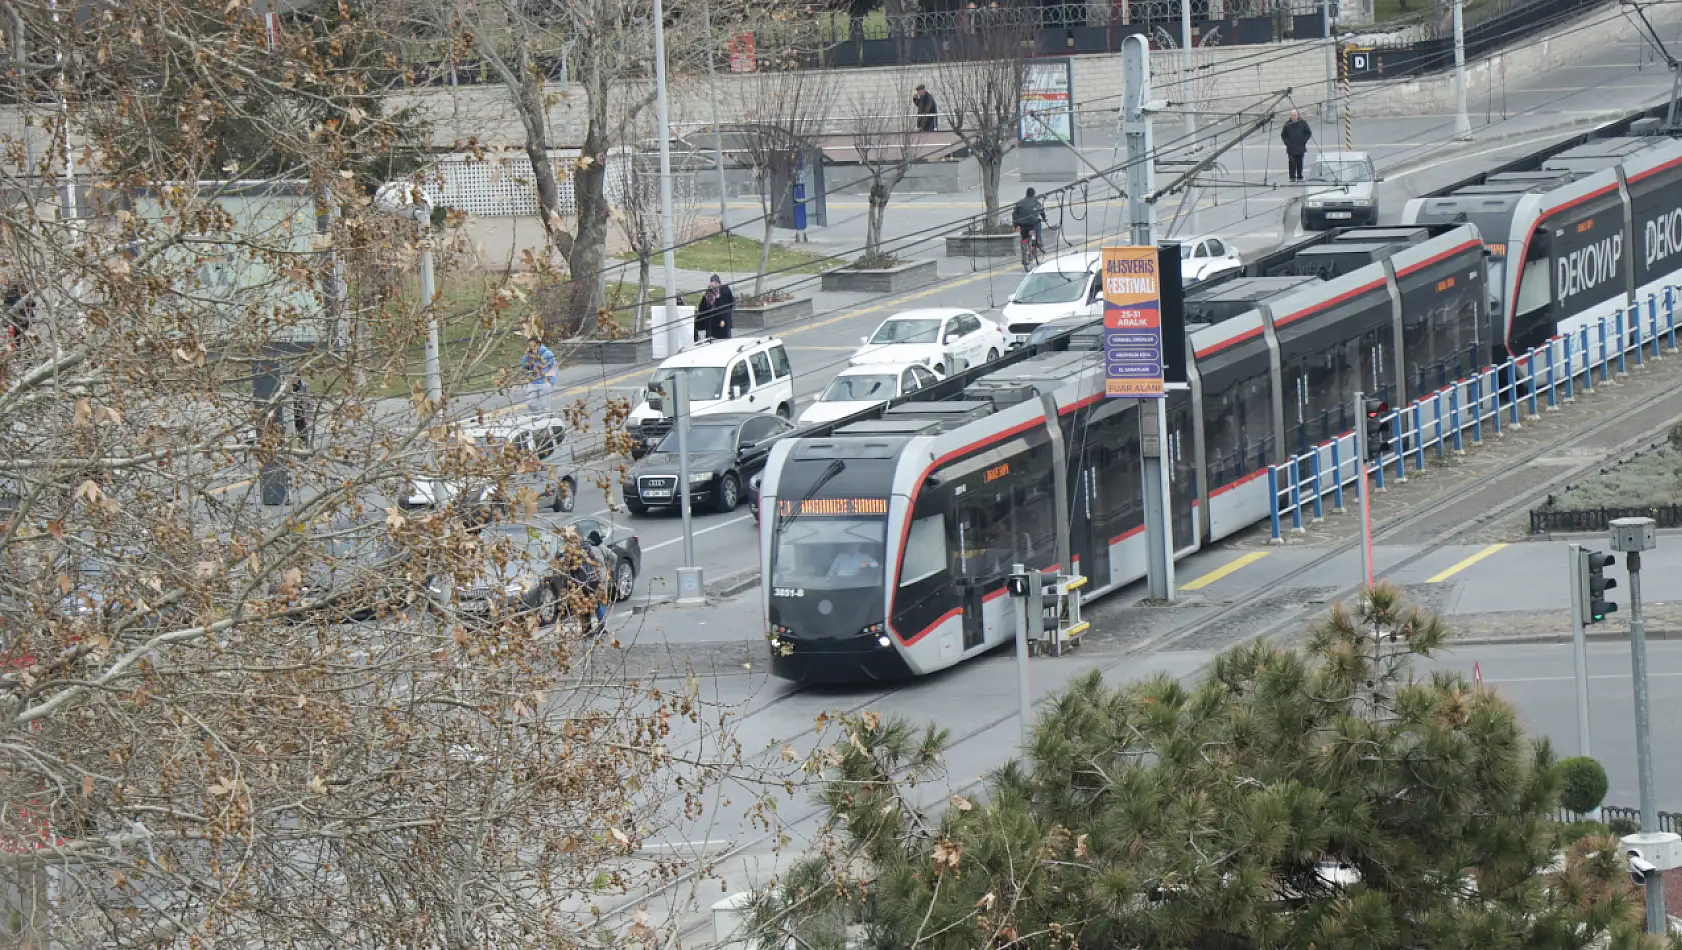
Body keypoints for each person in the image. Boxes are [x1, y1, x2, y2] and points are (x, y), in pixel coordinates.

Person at [522, 338, 558, 410]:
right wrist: (526, 356)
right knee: (531, 403)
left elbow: (554, 366)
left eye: (533, 346)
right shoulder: (529, 353)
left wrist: (550, 380)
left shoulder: (547, 353)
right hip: (533, 382)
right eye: (529, 346)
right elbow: (523, 365)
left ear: (538, 345)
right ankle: (536, 417)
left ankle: (546, 419)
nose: (531, 348)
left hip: (544, 382)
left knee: (544, 406)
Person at [698, 274, 736, 341]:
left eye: (716, 284)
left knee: (724, 340)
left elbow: (730, 302)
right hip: (714, 324)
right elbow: (701, 309)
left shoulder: (725, 290)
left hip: (722, 322)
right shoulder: (709, 294)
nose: (715, 287)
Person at [1281, 109, 1312, 183]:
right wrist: (1287, 143)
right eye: (1292, 115)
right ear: (1290, 116)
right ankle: (1292, 176)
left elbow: (1308, 133)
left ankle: (1299, 176)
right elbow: (1283, 135)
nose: (1294, 117)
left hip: (1300, 147)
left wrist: (1303, 141)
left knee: (1300, 162)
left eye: (1295, 115)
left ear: (1297, 115)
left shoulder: (1303, 123)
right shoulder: (1287, 124)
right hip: (1291, 148)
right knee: (1292, 162)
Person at [290, 376, 310, 446]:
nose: (294, 380)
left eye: (296, 378)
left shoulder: (303, 386)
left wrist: (307, 416)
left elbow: (307, 401)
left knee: (303, 434)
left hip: (301, 414)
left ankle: (305, 448)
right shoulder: (288, 386)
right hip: (291, 413)